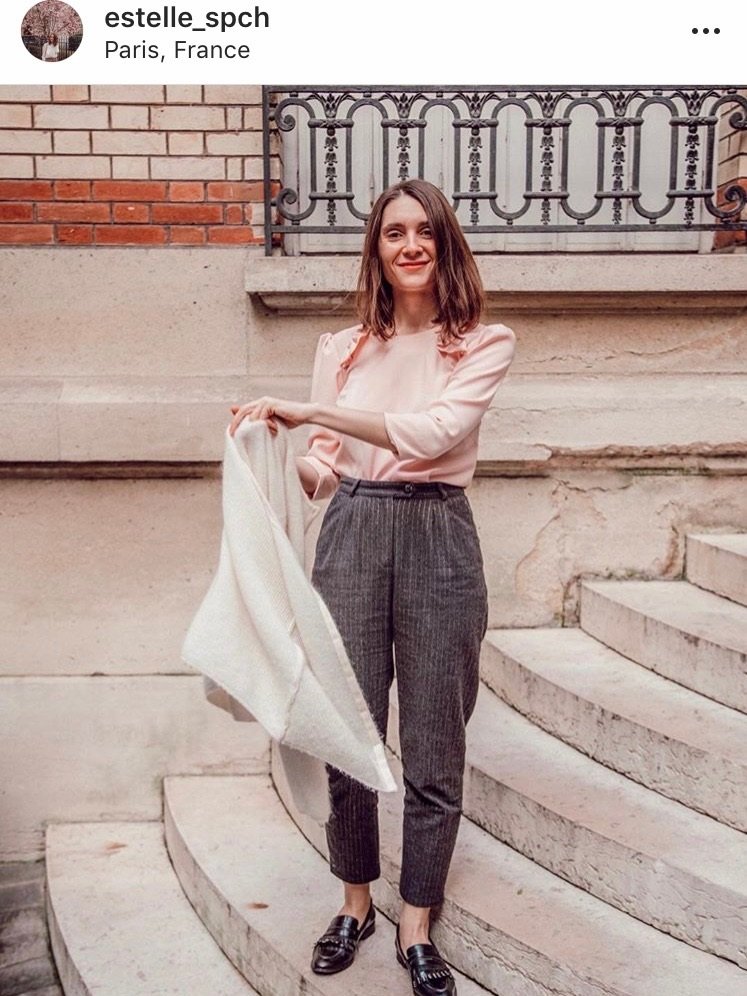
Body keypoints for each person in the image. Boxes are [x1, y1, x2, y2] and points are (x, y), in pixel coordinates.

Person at [228, 178, 516, 996]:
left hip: (438, 536)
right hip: (352, 531)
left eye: (424, 231)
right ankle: (353, 905)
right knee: (347, 731)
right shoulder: (342, 348)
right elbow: (325, 468)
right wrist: (275, 450)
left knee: (433, 742)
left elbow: (432, 435)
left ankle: (415, 920)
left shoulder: (483, 343)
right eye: (394, 233)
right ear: (377, 250)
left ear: (445, 243)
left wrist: (311, 413)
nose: (410, 245)